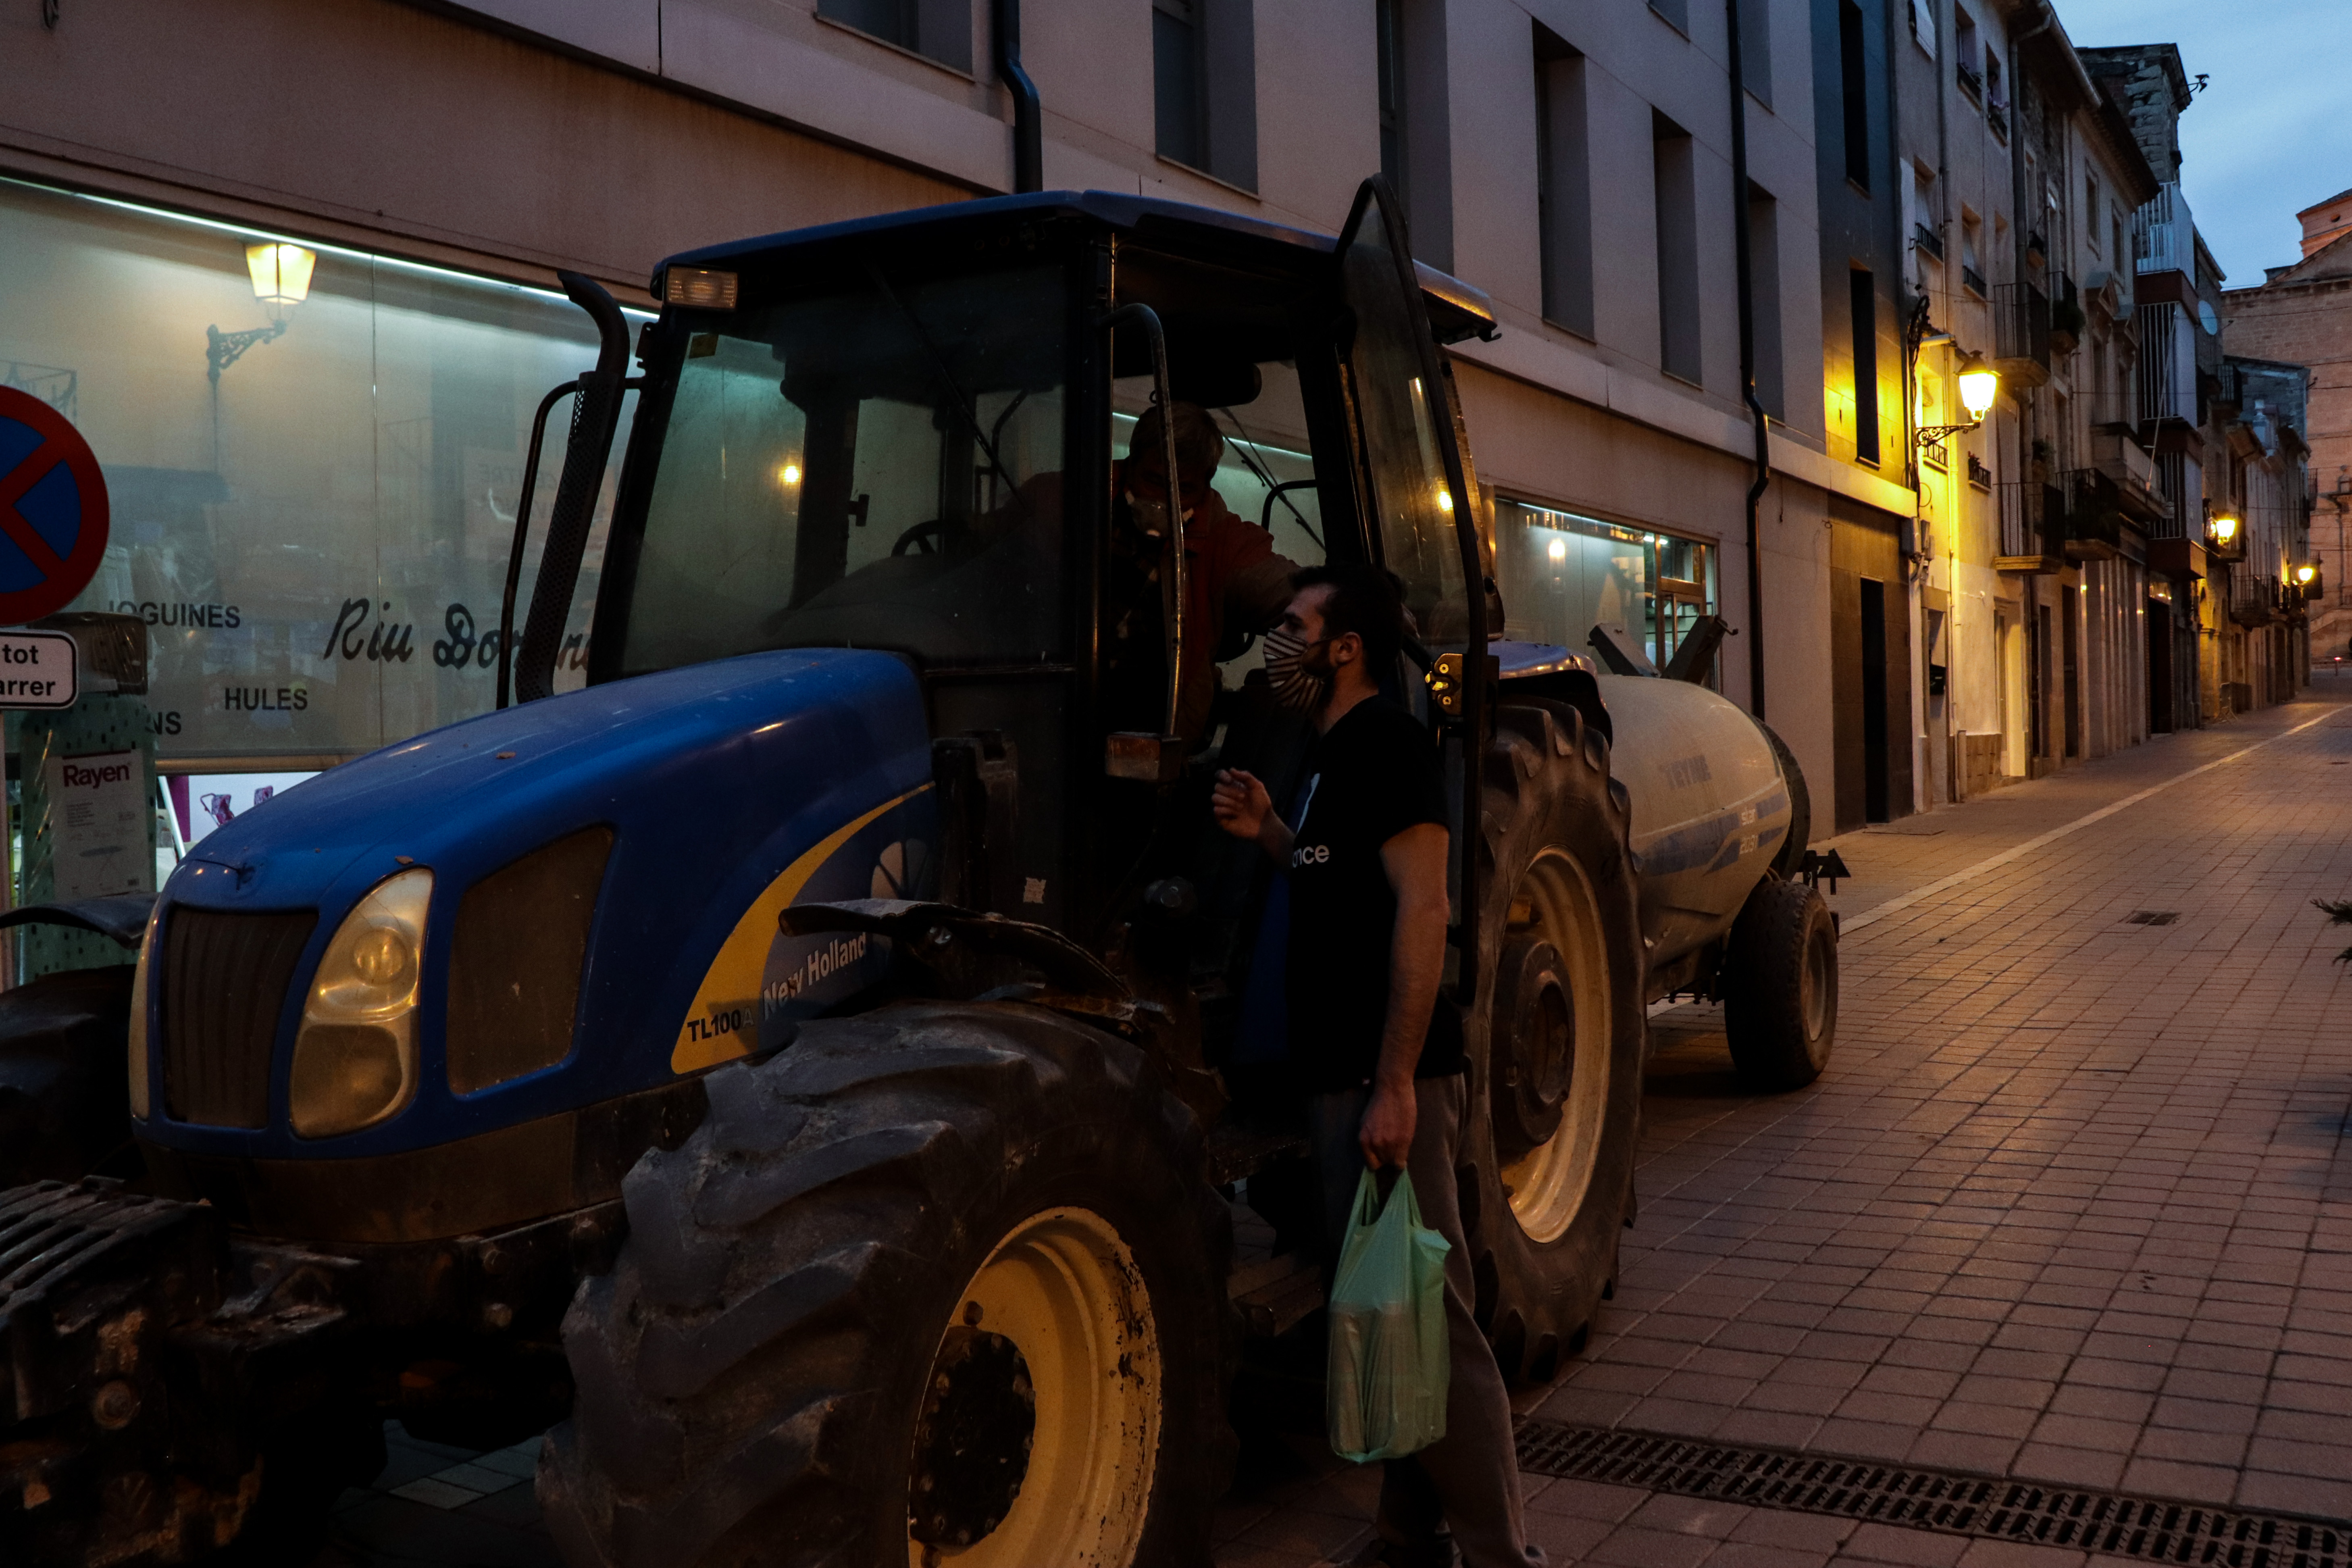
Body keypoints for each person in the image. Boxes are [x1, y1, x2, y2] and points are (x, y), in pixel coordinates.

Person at [1211, 565, 1544, 1568]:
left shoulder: (1387, 748)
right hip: (1340, 1075)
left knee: (1425, 1313)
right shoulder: (1326, 758)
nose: (1277, 642)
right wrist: (1274, 831)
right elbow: (1333, 886)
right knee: (1383, 1302)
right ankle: (1409, 1534)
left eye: (1293, 626)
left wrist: (1396, 1084)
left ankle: (1501, 1556)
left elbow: (1421, 912)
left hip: (1381, 1078)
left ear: (1342, 645)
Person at [1099, 400, 1300, 743]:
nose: (1167, 500)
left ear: (1206, 485)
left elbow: (1290, 590)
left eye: (1185, 489)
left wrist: (1358, 601)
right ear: (1131, 463)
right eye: (1154, 480)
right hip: (1063, 713)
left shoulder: (1222, 543)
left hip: (1157, 730)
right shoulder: (1072, 504)